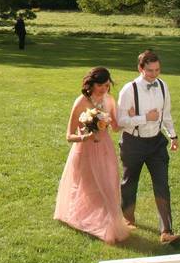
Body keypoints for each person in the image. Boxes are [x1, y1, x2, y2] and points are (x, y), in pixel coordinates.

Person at [53, 66, 130, 244]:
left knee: (109, 185)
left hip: (105, 150)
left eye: (107, 85)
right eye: (100, 85)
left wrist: (131, 116)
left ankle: (109, 224)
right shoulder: (81, 102)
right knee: (88, 187)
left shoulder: (109, 100)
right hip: (85, 151)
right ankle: (86, 219)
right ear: (91, 84)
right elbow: (68, 136)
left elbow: (117, 127)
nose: (104, 89)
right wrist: (86, 136)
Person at [116, 50, 180, 245]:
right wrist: (144, 118)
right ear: (140, 68)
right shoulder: (129, 90)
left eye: (157, 70)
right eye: (150, 71)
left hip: (156, 143)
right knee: (129, 183)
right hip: (133, 143)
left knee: (162, 185)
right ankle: (127, 220)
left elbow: (166, 114)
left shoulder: (162, 86)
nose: (154, 74)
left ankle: (166, 232)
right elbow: (120, 121)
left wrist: (172, 135)